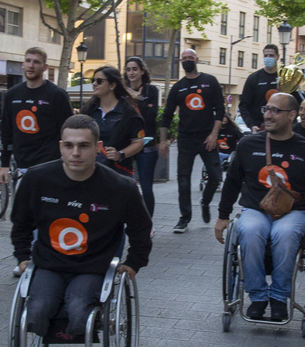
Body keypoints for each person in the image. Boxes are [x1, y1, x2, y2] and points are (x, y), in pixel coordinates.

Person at [11, 115, 152, 338]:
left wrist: (135, 262)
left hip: (92, 268)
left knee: (79, 315)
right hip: (49, 264)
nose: (75, 153)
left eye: (84, 146)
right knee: (36, 313)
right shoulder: (37, 179)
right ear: (60, 147)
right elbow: (21, 223)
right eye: (69, 145)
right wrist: (22, 256)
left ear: (98, 148)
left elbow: (140, 228)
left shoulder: (120, 187)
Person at [215, 93, 305, 321]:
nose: (268, 114)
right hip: (255, 209)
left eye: (275, 111)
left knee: (285, 234)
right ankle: (258, 297)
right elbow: (232, 183)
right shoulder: (248, 144)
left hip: (293, 212)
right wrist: (222, 215)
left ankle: (279, 297)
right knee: (249, 231)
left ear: (291, 116)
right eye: (266, 109)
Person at [160, 48, 225, 232]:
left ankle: (205, 201)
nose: (187, 60)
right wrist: (163, 140)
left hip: (207, 138)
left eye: (191, 58)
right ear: (180, 62)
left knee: (215, 176)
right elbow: (167, 115)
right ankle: (184, 218)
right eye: (184, 58)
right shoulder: (178, 87)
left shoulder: (209, 81)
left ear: (197, 60)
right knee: (183, 180)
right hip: (186, 139)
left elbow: (220, 110)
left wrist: (214, 134)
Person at [0, 48, 73, 184]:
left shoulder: (57, 95)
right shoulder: (12, 94)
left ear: (45, 67)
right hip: (21, 165)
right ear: (23, 64)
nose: (31, 65)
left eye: (36, 62)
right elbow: (6, 131)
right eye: (28, 61)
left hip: (49, 165)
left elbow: (68, 131)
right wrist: (4, 165)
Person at [82, 66, 145, 177]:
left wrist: (120, 154)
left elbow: (138, 142)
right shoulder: (88, 110)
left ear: (112, 85)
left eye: (99, 81)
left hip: (119, 171)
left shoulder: (129, 113)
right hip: (90, 170)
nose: (94, 84)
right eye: (93, 80)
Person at [125, 57, 160, 217]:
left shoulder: (151, 91)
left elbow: (151, 116)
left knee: (146, 188)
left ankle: (148, 223)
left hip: (147, 145)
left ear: (142, 71)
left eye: (134, 69)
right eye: (128, 69)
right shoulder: (121, 91)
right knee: (125, 184)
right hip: (126, 144)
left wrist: (136, 98)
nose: (131, 72)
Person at [238, 44, 282, 132]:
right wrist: (251, 125)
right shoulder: (253, 78)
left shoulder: (285, 77)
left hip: (280, 128)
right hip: (259, 127)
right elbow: (243, 106)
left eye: (271, 55)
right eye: (266, 56)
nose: (268, 58)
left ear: (277, 57)